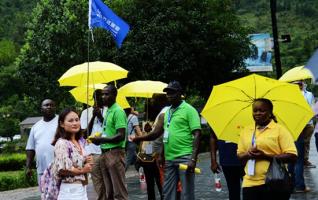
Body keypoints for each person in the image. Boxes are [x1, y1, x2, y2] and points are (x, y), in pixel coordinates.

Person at [133, 81, 201, 200]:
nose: (169, 95)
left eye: (172, 92)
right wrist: (139, 138)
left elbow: (197, 134)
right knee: (168, 192)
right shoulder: (167, 112)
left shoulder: (189, 110)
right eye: (167, 93)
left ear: (180, 93)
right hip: (169, 159)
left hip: (185, 156)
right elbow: (158, 134)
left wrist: (193, 158)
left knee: (186, 194)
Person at [237, 98, 297, 200]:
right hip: (249, 183)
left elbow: (292, 156)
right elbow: (239, 155)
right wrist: (248, 154)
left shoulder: (280, 130)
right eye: (255, 111)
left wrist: (265, 156)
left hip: (275, 182)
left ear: (270, 112)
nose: (257, 113)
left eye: (262, 110)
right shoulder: (246, 130)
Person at [91, 85, 128, 200]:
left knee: (119, 192)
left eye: (106, 94)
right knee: (109, 192)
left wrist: (101, 139)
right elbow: (109, 132)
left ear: (114, 95)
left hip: (115, 153)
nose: (103, 97)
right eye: (102, 94)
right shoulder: (108, 111)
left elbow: (121, 135)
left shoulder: (118, 111)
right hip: (105, 152)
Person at [131, 94, 169, 200]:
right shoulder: (147, 120)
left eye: (153, 101)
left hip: (157, 155)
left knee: (161, 183)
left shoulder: (163, 116)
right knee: (151, 186)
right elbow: (145, 139)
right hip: (147, 157)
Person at [51, 108, 93, 200]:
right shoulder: (62, 143)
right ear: (62, 124)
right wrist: (83, 170)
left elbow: (75, 161)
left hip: (82, 189)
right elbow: (62, 168)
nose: (75, 123)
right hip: (70, 191)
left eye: (77, 120)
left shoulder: (79, 142)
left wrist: (85, 160)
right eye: (70, 121)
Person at [80, 89, 107, 198]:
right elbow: (84, 134)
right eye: (98, 97)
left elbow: (111, 130)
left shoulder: (108, 111)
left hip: (106, 150)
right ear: (94, 98)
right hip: (92, 152)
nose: (101, 98)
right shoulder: (85, 112)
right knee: (97, 181)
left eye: (103, 96)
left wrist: (100, 117)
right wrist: (93, 116)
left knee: (108, 181)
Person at [26, 99, 58, 187]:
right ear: (41, 109)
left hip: (60, 168)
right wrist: (28, 167)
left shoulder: (61, 122)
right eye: (46, 105)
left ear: (55, 108)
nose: (49, 107)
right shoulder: (35, 127)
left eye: (52, 105)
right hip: (42, 169)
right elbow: (30, 148)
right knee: (44, 194)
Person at [210, 129, 244, 200]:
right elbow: (213, 137)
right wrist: (213, 160)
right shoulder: (217, 118)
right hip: (227, 158)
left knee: (250, 190)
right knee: (233, 191)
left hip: (247, 158)